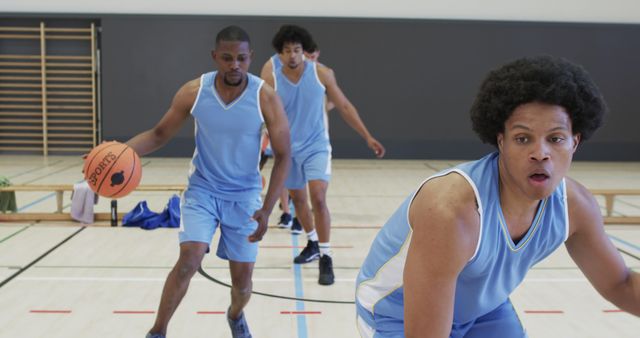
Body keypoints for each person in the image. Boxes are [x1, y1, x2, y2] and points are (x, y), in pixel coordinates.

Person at [355, 55, 640, 337]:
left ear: (574, 142)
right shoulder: (452, 210)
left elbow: (622, 285)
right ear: (500, 141)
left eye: (555, 139)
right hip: (395, 313)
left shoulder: (575, 206)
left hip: (481, 311)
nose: (540, 153)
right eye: (522, 138)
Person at [126, 26, 291, 338]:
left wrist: (268, 209)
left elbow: (284, 155)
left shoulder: (265, 97)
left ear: (250, 57)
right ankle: (157, 331)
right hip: (203, 189)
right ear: (215, 57)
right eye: (227, 58)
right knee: (189, 259)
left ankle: (235, 315)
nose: (234, 65)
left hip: (244, 196)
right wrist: (119, 151)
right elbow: (158, 135)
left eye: (241, 58)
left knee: (242, 284)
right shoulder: (194, 91)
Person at [261, 24, 385, 285]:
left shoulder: (321, 74)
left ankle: (327, 256)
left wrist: (367, 136)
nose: (293, 56)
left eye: (297, 50)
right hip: (287, 150)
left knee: (318, 197)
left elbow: (344, 105)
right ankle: (313, 242)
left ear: (305, 51)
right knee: (298, 201)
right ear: (279, 54)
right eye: (287, 51)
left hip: (316, 146)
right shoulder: (271, 75)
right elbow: (259, 112)